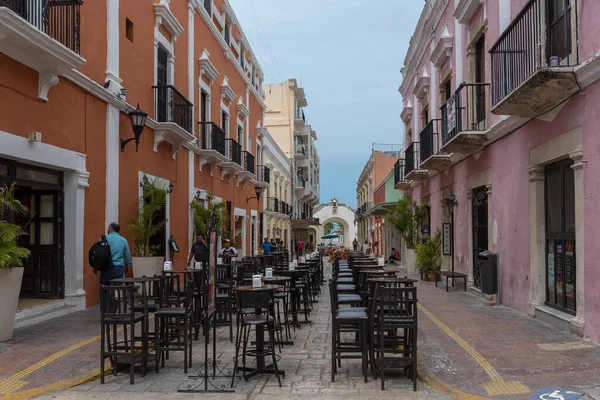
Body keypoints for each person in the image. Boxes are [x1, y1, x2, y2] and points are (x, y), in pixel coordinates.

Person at [96, 222, 131, 311]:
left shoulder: (103, 239)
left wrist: (96, 267)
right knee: (116, 290)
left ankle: (105, 310)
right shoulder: (123, 240)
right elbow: (127, 255)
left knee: (104, 289)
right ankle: (114, 309)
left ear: (111, 229)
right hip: (118, 268)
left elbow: (98, 254)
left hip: (106, 268)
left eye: (108, 228)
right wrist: (127, 266)